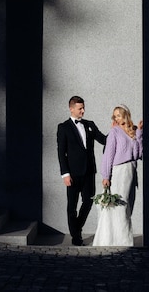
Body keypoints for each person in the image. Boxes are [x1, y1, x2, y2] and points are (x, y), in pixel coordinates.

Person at [57, 95, 106, 246]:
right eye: (80, 108)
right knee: (72, 206)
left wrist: (119, 130)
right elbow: (61, 152)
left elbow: (104, 140)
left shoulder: (89, 124)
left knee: (89, 201)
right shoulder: (63, 127)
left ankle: (76, 228)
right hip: (72, 173)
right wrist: (65, 174)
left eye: (83, 108)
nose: (83, 111)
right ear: (71, 109)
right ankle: (76, 236)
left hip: (89, 171)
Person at [92, 104, 143, 247]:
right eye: (115, 116)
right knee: (117, 205)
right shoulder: (114, 132)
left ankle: (122, 239)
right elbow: (108, 155)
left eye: (119, 115)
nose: (116, 118)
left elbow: (138, 155)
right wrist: (106, 175)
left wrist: (139, 133)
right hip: (118, 171)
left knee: (126, 205)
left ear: (126, 115)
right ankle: (115, 240)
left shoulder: (132, 131)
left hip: (130, 172)